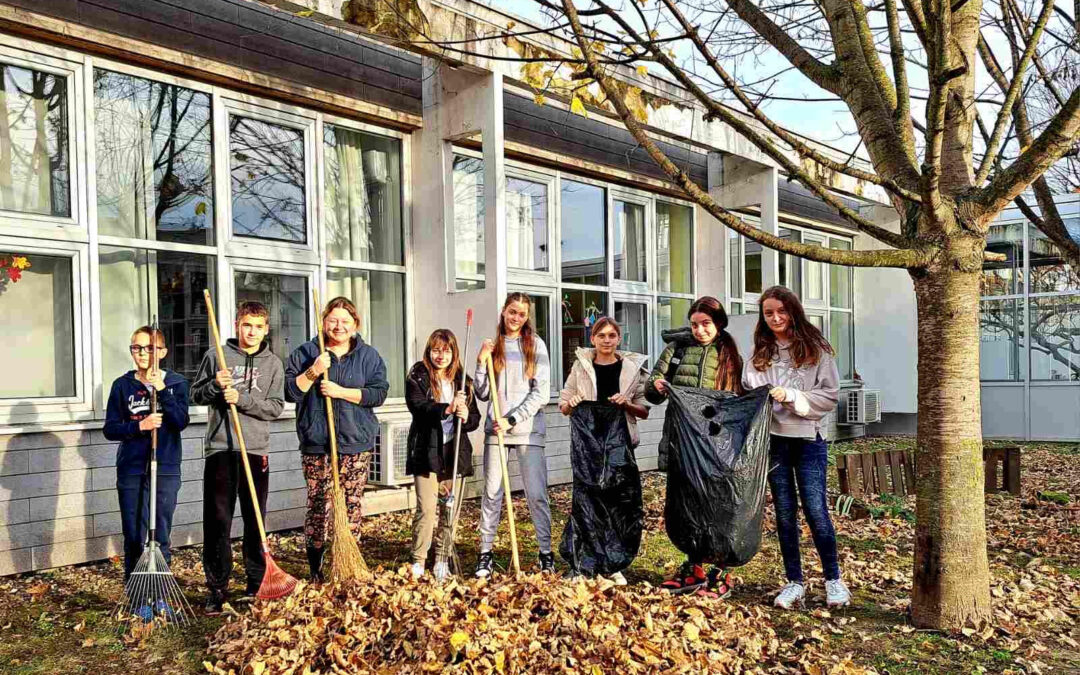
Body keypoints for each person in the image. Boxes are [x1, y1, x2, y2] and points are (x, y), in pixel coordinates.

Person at [743, 285, 850, 610]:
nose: (776, 318)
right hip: (774, 443)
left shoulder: (816, 349)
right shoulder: (761, 352)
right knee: (785, 514)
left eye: (781, 311)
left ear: (793, 311)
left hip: (807, 442)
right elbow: (749, 389)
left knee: (816, 512)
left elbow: (829, 395)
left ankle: (834, 580)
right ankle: (794, 582)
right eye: (768, 313)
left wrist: (791, 396)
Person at [285, 296, 389, 581]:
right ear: (324, 322)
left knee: (351, 504)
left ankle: (346, 563)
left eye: (345, 321)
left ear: (355, 325)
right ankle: (316, 569)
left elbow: (378, 393)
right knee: (318, 504)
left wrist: (341, 392)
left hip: (355, 443)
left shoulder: (369, 356)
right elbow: (291, 393)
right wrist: (314, 370)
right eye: (333, 320)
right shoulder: (306, 352)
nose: (338, 326)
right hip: (317, 443)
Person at [645, 296, 743, 597]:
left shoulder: (729, 353)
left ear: (718, 324)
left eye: (706, 324)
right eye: (695, 324)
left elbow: (738, 396)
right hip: (681, 440)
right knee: (687, 505)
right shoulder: (676, 350)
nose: (700, 330)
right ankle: (694, 567)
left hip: (714, 444)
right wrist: (657, 387)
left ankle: (721, 570)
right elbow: (652, 390)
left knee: (718, 505)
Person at [192, 301, 285, 614]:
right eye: (247, 325)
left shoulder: (273, 363)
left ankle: (258, 582)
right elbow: (195, 394)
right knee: (218, 520)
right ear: (237, 325)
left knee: (254, 519)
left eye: (258, 326)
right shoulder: (216, 356)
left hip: (256, 448)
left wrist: (241, 399)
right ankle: (217, 587)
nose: (252, 331)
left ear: (266, 329)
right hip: (221, 447)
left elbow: (275, 407)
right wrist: (215, 386)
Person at [558, 317, 649, 585]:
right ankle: (584, 560)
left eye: (612, 335)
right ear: (593, 339)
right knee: (586, 501)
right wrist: (572, 403)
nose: (606, 340)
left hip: (619, 445)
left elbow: (644, 410)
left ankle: (613, 563)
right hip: (588, 446)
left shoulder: (632, 369)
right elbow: (564, 404)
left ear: (618, 339)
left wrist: (626, 404)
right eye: (601, 335)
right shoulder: (581, 366)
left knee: (617, 501)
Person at [473, 293, 553, 577]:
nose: (516, 317)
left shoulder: (536, 345)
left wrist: (512, 418)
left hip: (528, 432)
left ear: (526, 317)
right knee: (492, 493)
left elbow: (542, 393)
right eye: (512, 311)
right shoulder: (492, 347)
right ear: (504, 312)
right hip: (496, 433)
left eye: (521, 313)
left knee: (536, 494)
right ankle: (485, 553)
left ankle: (546, 553)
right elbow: (482, 393)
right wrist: (481, 362)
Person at [104, 325, 190, 586]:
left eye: (150, 348)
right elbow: (110, 428)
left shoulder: (176, 383)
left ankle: (159, 590)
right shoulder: (122, 385)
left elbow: (180, 421)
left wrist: (161, 388)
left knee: (159, 533)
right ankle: (136, 593)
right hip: (131, 468)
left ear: (162, 352)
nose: (142, 353)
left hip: (164, 467)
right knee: (133, 534)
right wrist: (139, 426)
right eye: (137, 347)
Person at [405, 329, 481, 580]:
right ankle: (418, 560)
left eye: (446, 350)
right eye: (436, 350)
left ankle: (441, 559)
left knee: (449, 509)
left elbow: (475, 420)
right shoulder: (418, 375)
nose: (441, 355)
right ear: (429, 351)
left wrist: (465, 416)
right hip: (427, 449)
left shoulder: (463, 381)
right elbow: (418, 406)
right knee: (426, 508)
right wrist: (446, 408)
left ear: (453, 353)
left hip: (454, 451)